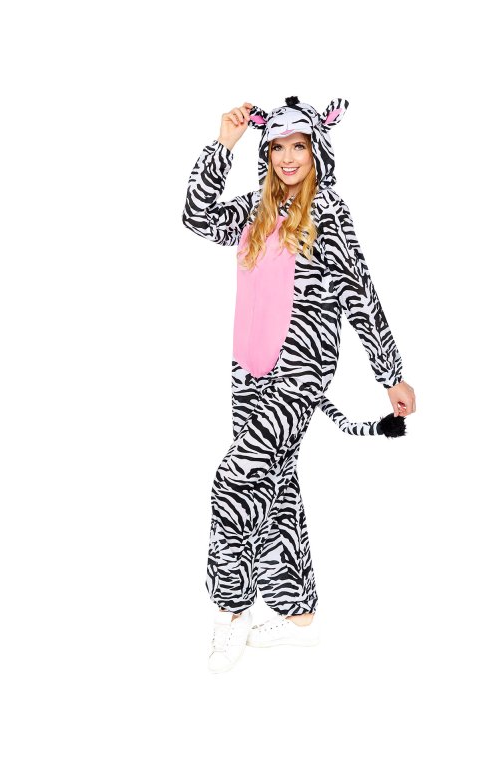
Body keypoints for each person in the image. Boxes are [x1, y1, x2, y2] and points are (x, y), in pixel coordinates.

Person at [182, 96, 417, 673]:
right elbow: (195, 215)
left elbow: (360, 292)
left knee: (234, 482)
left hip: (298, 370)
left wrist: (390, 374)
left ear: (317, 151)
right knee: (275, 484)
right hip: (247, 368)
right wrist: (224, 144)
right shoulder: (256, 210)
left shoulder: (327, 211)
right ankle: (298, 618)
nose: (288, 157)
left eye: (300, 146)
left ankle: (230, 612)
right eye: (278, 148)